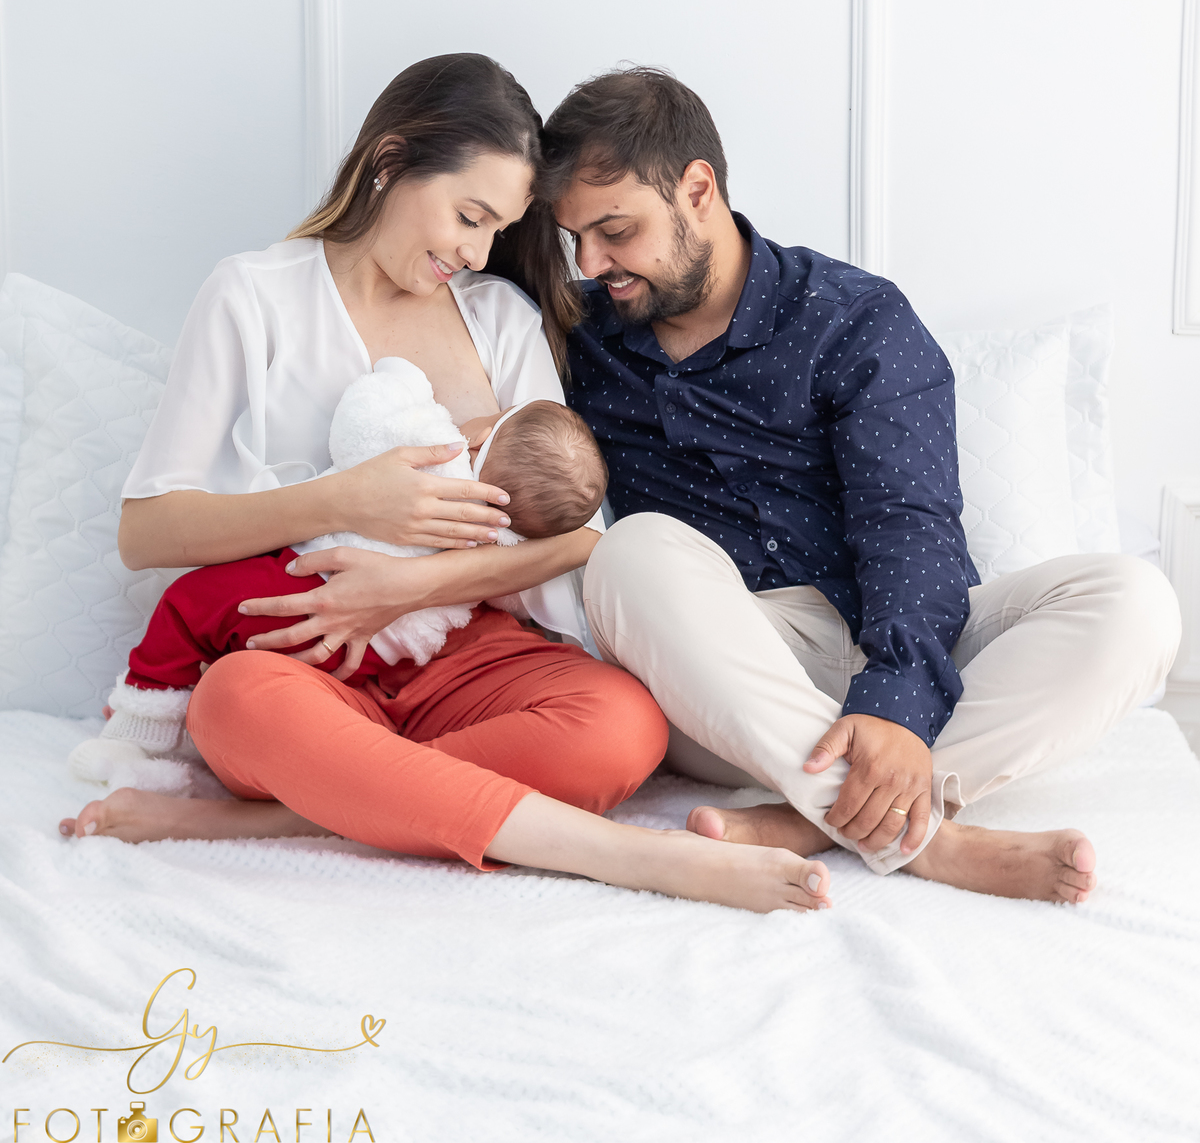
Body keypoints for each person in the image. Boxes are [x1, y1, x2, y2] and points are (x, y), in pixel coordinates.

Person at [59, 54, 834, 916]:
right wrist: (344, 502)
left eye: (496, 230)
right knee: (237, 705)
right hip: (307, 651)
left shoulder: (498, 316)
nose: (474, 252)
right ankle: (626, 857)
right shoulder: (253, 297)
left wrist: (415, 583)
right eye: (468, 216)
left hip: (473, 649)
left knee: (625, 726)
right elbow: (148, 530)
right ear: (390, 162)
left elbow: (578, 538)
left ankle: (287, 814)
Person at [543, 66, 1183, 905]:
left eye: (615, 230)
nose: (592, 263)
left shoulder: (853, 318)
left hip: (897, 635)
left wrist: (894, 704)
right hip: (732, 669)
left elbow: (910, 524)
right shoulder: (580, 331)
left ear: (697, 189)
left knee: (1136, 602)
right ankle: (928, 839)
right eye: (574, 237)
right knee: (628, 554)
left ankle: (815, 817)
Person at [68, 381, 609, 783]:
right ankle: (360, 769)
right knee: (252, 693)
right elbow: (564, 550)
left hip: (317, 592)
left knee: (189, 605)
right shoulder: (507, 540)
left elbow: (366, 417)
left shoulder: (439, 459)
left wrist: (405, 382)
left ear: (484, 432)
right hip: (380, 652)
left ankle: (141, 726)